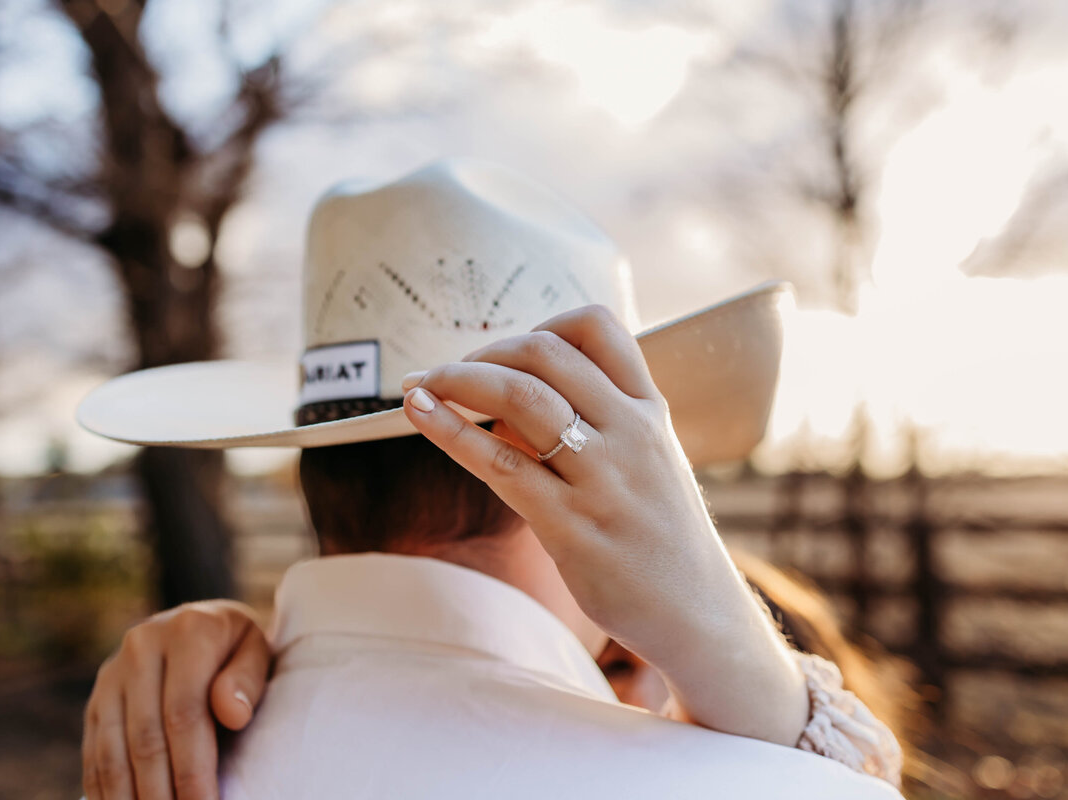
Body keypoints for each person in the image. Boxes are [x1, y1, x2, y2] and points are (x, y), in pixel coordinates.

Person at [77, 158, 905, 799]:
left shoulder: (157, 762)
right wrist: (742, 651)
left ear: (314, 463)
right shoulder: (769, 784)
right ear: (552, 461)